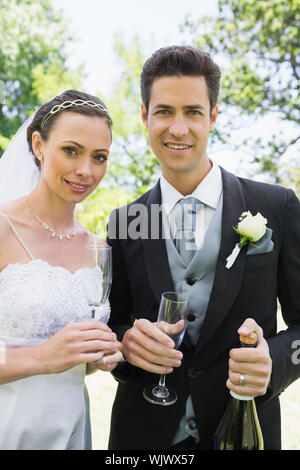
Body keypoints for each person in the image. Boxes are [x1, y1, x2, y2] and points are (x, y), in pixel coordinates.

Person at [107, 46, 300, 450]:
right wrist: (125, 343)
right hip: (143, 438)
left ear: (213, 116)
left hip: (245, 433)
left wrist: (276, 362)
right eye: (164, 112)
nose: (178, 128)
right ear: (144, 116)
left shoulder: (277, 207)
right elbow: (111, 326)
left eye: (193, 112)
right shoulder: (124, 221)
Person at [0, 89, 123, 450]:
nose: (85, 170)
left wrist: (98, 357)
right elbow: (49, 353)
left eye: (99, 157)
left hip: (71, 427)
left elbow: (74, 360)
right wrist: (42, 356)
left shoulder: (99, 249)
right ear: (39, 145)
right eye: (71, 150)